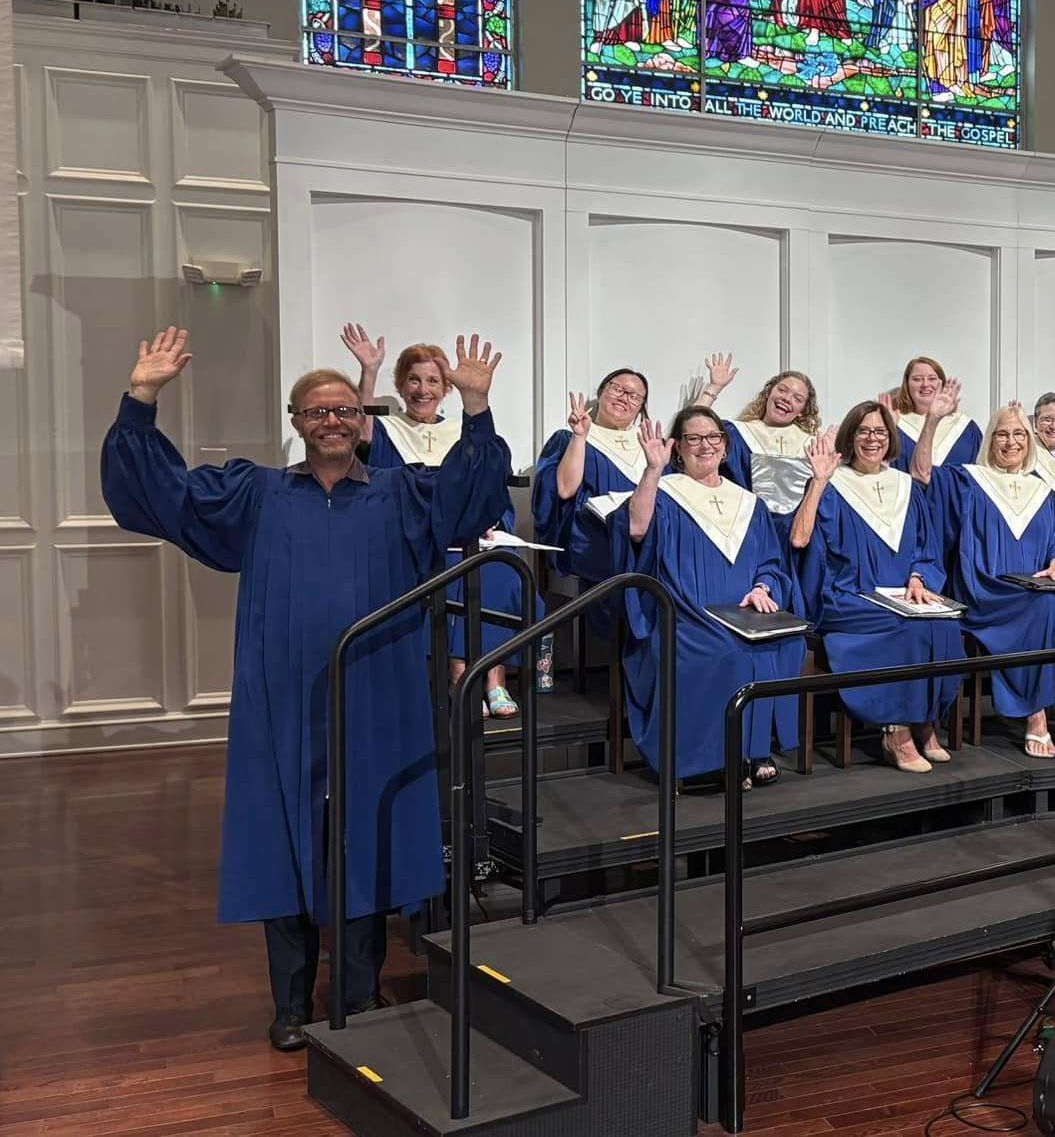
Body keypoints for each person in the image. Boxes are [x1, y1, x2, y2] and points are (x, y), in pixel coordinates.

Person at [102, 327, 509, 1051]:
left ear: (363, 423)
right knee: (282, 837)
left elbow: (471, 498)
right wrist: (141, 399)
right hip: (281, 695)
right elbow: (158, 495)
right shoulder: (255, 492)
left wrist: (475, 408)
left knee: (367, 833)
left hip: (378, 692)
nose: (331, 421)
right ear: (295, 423)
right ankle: (290, 1006)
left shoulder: (401, 493)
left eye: (345, 411)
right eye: (317, 411)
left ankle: (359, 991)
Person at [340, 324, 528, 718]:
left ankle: (495, 681)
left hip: (471, 540)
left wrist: (494, 521)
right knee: (452, 572)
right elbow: (359, 424)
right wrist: (368, 371)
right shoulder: (389, 431)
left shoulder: (467, 433)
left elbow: (491, 485)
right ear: (401, 384)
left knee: (501, 574)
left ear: (447, 388)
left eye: (432, 381)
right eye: (413, 379)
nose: (422, 389)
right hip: (416, 543)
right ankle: (462, 678)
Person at [914, 391, 1055, 758]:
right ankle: (1035, 718)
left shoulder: (1043, 491)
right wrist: (932, 421)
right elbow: (922, 473)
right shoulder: (968, 481)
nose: (1012, 442)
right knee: (1047, 611)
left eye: (1019, 434)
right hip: (987, 589)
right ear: (991, 439)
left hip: (1035, 587)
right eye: (1003, 434)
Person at [614, 408, 801, 789]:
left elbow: (770, 560)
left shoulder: (749, 503)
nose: (705, 446)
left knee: (784, 642)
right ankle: (708, 761)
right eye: (694, 439)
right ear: (678, 449)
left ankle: (753, 749)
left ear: (726, 446)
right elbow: (635, 528)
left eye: (713, 437)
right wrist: (652, 470)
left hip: (746, 611)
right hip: (686, 612)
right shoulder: (664, 493)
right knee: (724, 650)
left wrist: (763, 588)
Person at [791, 400, 957, 773]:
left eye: (880, 431)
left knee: (944, 624)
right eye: (863, 431)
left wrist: (918, 578)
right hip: (848, 595)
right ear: (851, 436)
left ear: (890, 438)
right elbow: (800, 540)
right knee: (902, 627)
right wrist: (818, 481)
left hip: (902, 593)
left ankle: (924, 718)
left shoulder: (906, 486)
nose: (872, 438)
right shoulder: (832, 483)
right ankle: (895, 731)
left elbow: (926, 548)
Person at [532, 368, 661, 594]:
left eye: (634, 396)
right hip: (598, 544)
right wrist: (579, 437)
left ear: (641, 408)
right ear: (601, 392)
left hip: (646, 541)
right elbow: (564, 490)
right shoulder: (570, 437)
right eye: (618, 388)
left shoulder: (650, 445)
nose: (624, 398)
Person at [710, 359, 821, 567]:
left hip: (794, 548)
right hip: (745, 538)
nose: (787, 399)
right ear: (769, 392)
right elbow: (691, 434)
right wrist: (714, 388)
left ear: (803, 410)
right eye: (783, 390)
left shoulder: (812, 446)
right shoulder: (737, 433)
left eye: (797, 398)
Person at [891, 355, 981, 473]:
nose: (925, 384)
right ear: (907, 385)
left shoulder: (966, 427)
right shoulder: (895, 424)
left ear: (941, 383)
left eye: (932, 378)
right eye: (917, 379)